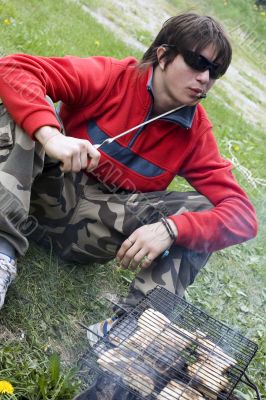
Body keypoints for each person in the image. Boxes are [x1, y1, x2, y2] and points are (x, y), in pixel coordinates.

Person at [0, 13, 257, 339]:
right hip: (38, 199)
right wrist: (52, 137)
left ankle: (128, 334)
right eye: (196, 62)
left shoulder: (195, 132)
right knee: (22, 114)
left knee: (203, 213)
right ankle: (2, 253)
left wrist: (173, 227)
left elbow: (242, 217)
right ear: (163, 55)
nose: (205, 77)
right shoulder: (111, 77)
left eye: (215, 71)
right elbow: (14, 69)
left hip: (91, 235)